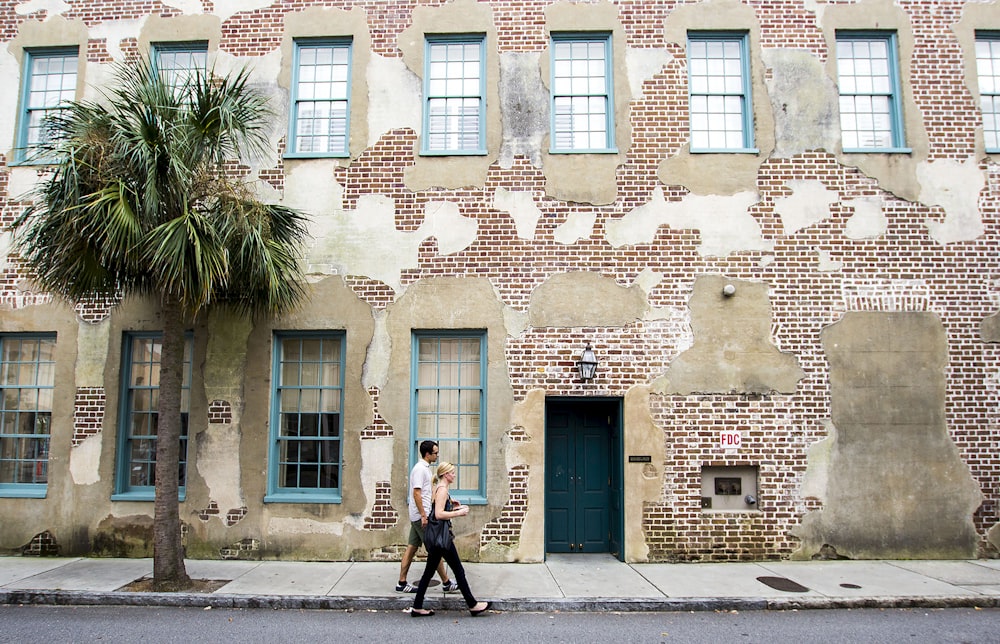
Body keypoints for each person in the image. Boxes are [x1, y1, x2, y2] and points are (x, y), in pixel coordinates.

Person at [410, 461, 490, 617]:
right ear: (446, 474)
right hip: (442, 539)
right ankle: (473, 605)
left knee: (429, 573)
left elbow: (435, 510)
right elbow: (439, 515)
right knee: (458, 570)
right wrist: (458, 513)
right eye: (452, 472)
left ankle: (417, 606)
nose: (454, 475)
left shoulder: (440, 488)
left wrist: (451, 506)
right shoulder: (442, 490)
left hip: (437, 538)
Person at [397, 440, 457, 593]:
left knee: (411, 547)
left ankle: (401, 582)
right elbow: (416, 493)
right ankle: (446, 582)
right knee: (435, 549)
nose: (437, 455)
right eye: (435, 453)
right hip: (420, 517)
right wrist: (424, 515)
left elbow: (428, 492)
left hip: (419, 515)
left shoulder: (426, 469)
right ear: (428, 454)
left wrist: (448, 500)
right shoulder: (420, 470)